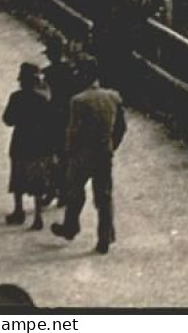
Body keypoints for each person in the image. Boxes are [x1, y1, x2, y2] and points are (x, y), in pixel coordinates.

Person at [51, 57, 127, 255]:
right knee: (104, 195)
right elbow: (121, 127)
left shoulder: (78, 101)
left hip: (82, 154)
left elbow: (73, 131)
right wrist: (112, 145)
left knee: (74, 191)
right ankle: (105, 236)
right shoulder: (113, 97)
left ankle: (71, 226)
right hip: (104, 152)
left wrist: (67, 153)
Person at [2, 62, 56, 230]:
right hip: (39, 143)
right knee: (38, 180)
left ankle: (19, 211)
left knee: (18, 176)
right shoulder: (43, 99)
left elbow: (8, 120)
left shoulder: (16, 97)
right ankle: (38, 216)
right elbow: (50, 123)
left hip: (21, 141)